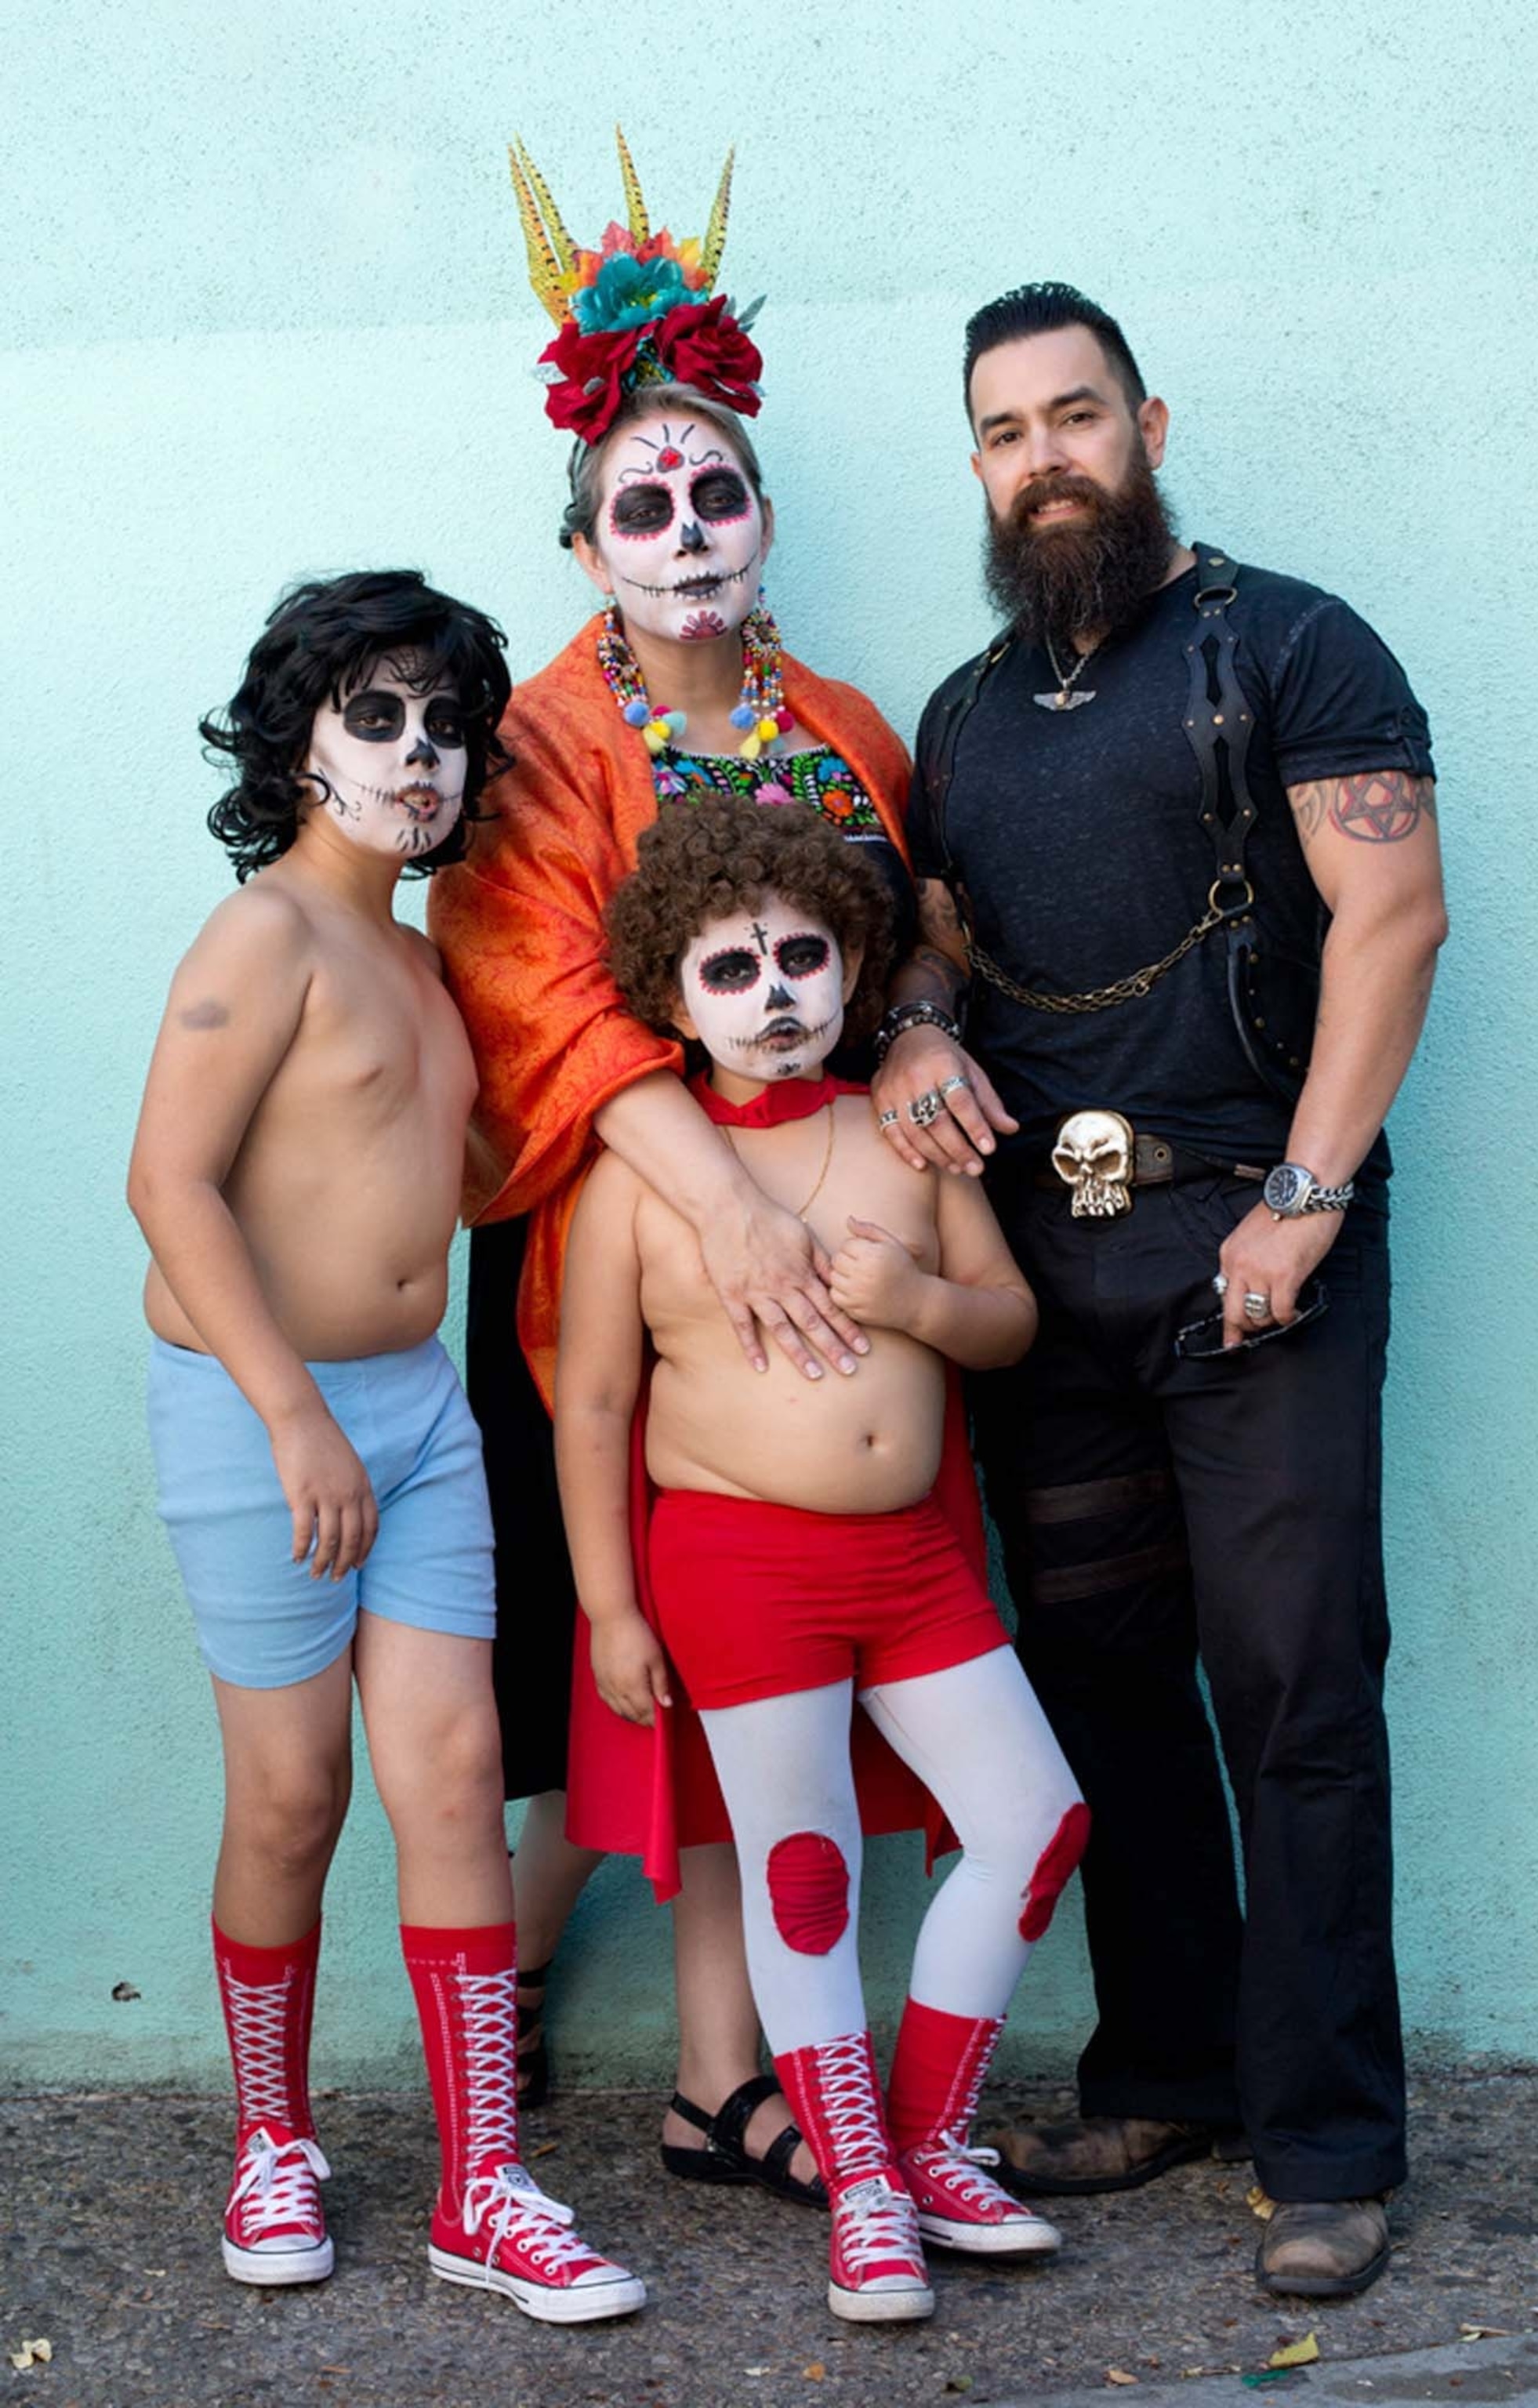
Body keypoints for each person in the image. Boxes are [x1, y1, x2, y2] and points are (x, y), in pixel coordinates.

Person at [872, 281, 1447, 2300]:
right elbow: (937, 928)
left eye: (1077, 415)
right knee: (1105, 1683)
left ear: (1146, 423)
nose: (1045, 458)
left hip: (1252, 1253)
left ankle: (1328, 2144)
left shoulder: (1285, 641)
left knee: (1292, 1691)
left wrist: (1304, 1198)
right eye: (1007, 430)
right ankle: (1173, 2068)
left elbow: (1392, 913)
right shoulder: (962, 711)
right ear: (976, 464)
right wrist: (915, 1027)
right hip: (1054, 1285)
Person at [430, 133, 915, 2197]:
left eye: (716, 492)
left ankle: (733, 2071)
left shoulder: (849, 721)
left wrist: (941, 1034)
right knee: (586, 1654)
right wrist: (712, 1201)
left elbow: (920, 936)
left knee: (762, 1644)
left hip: (818, 1259)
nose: (687, 525)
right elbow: (533, 990)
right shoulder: (541, 740)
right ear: (589, 544)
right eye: (646, 502)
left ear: (765, 514)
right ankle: (544, 1981)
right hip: (608, 1273)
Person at [129, 571, 644, 2325]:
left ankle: (483, 2182)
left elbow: (461, 1172)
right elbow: (167, 1186)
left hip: (419, 1413)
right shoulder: (262, 936)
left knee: (449, 1778)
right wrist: (289, 1415)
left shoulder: (424, 962)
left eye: (445, 724)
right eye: (376, 717)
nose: (419, 755)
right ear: (296, 745)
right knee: (293, 1797)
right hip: (259, 1410)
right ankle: (272, 2138)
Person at [557, 797, 1090, 2321]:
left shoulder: (907, 1137)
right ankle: (856, 2187)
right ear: (672, 998)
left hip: (910, 1568)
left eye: (802, 955)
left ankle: (920, 2145)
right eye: (732, 970)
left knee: (1035, 1821)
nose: (776, 992)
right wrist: (607, 1603)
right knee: (804, 1876)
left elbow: (1006, 1322)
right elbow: (593, 1402)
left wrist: (913, 1297)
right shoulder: (639, 1183)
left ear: (854, 968)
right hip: (734, 1568)